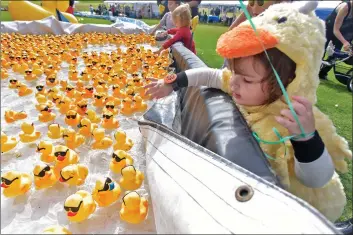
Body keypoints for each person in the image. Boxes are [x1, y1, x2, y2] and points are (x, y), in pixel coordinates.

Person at [146, 2, 352, 223]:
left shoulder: (293, 119)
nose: (234, 83)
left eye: (246, 79)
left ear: (284, 82)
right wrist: (173, 81)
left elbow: (317, 179)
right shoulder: (241, 86)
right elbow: (211, 76)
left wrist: (306, 138)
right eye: (235, 73)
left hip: (287, 215)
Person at [319, 0, 353, 80]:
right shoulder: (345, 7)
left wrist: (350, 45)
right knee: (321, 51)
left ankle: (322, 73)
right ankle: (312, 71)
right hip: (329, 28)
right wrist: (344, 42)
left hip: (341, 31)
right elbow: (335, 30)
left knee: (334, 55)